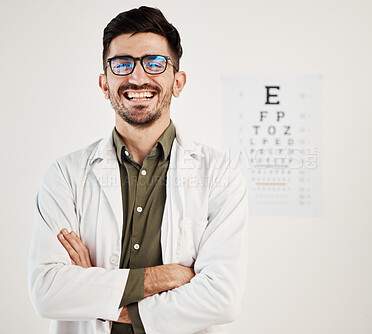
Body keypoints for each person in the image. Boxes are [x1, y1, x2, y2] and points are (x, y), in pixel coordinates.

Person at [28, 6, 248, 334]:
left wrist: (98, 295)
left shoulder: (220, 175)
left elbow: (222, 298)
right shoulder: (65, 175)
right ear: (105, 83)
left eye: (155, 63)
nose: (138, 77)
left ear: (178, 81)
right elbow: (47, 291)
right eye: (122, 63)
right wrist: (168, 277)